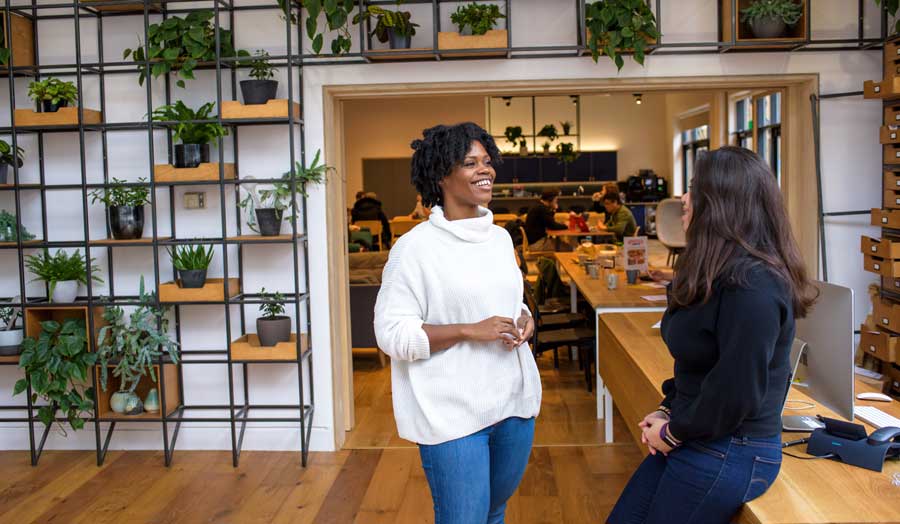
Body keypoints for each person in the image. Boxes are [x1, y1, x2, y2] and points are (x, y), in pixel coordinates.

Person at [607, 147, 818, 524]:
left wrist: (673, 432)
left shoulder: (755, 286)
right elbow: (700, 368)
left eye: (693, 190)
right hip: (702, 434)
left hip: (734, 447)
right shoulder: (716, 272)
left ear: (722, 204)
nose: (684, 199)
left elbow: (735, 391)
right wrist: (669, 408)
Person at [374, 122, 541, 524]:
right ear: (441, 176)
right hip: (451, 415)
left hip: (514, 405)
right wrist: (469, 329)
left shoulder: (500, 238)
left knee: (494, 513)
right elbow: (391, 335)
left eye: (487, 161)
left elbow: (511, 300)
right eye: (470, 163)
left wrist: (525, 318)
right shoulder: (414, 249)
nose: (486, 170)